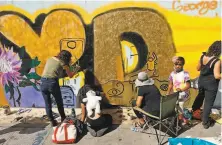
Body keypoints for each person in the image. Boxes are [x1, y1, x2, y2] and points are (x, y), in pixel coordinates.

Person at [40, 50, 79, 126]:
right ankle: (63, 118)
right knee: (59, 102)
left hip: (42, 82)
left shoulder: (50, 58)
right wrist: (76, 69)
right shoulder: (63, 63)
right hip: (52, 82)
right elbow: (70, 75)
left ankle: (52, 121)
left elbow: (54, 70)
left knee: (47, 104)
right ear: (66, 58)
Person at [78, 70, 112, 137]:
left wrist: (81, 124)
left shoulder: (81, 91)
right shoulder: (97, 90)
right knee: (109, 118)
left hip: (90, 121)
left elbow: (83, 113)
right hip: (100, 120)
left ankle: (90, 128)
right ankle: (100, 131)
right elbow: (103, 100)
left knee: (88, 122)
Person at [195, 41, 221, 129]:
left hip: (201, 82)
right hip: (211, 85)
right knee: (208, 103)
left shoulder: (202, 56)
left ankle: (195, 112)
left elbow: (197, 68)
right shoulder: (217, 61)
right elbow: (217, 76)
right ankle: (205, 122)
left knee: (200, 96)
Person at [166, 56, 191, 121]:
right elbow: (170, 84)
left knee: (180, 106)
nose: (177, 66)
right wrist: (168, 93)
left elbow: (188, 85)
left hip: (183, 93)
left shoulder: (185, 74)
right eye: (176, 64)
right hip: (174, 93)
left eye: (180, 64)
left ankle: (180, 120)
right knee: (174, 107)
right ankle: (178, 119)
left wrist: (181, 89)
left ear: (183, 65)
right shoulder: (172, 74)